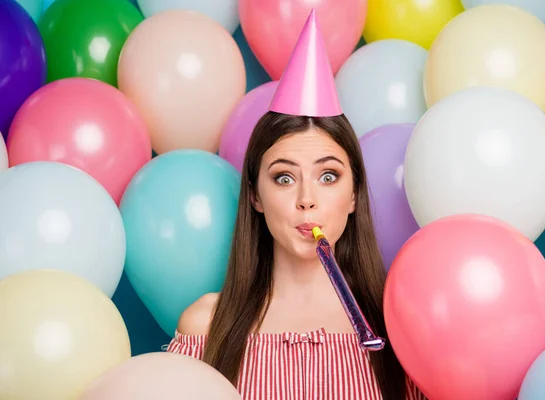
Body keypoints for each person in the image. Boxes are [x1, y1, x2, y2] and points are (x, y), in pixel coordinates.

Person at [166, 9, 427, 400]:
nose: (307, 200)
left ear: (354, 194)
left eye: (328, 176)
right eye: (284, 178)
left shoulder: (399, 329)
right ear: (255, 195)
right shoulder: (207, 327)